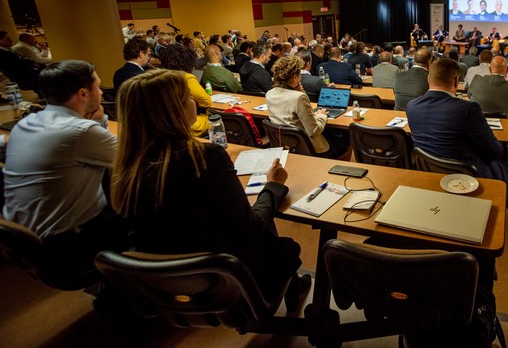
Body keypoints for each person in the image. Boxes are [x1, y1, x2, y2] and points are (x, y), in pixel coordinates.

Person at [111, 69, 311, 310]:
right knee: (282, 244)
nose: (194, 101)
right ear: (172, 110)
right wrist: (273, 186)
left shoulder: (124, 167)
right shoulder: (204, 158)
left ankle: (293, 288)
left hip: (165, 283)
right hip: (228, 276)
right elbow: (251, 227)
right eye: (187, 96)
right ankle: (293, 290)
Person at [3, 60, 127, 277]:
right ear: (83, 94)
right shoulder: (81, 131)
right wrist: (99, 121)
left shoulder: (26, 123)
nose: (100, 92)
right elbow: (134, 162)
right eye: (97, 86)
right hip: (68, 246)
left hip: (28, 240)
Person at [406, 58, 508, 195]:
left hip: (430, 170)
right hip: (469, 175)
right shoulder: (467, 109)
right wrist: (503, 149)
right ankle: (498, 199)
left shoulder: (412, 106)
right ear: (455, 80)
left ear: (429, 79)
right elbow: (493, 151)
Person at [267, 55, 350, 159]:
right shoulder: (299, 98)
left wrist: (300, 91)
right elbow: (314, 131)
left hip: (287, 144)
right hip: (309, 146)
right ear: (295, 77)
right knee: (346, 138)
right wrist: (322, 116)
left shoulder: (270, 93)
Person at [159, 44, 212, 137]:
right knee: (215, 119)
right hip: (187, 125)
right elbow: (207, 102)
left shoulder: (159, 78)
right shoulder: (186, 78)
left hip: (166, 124)